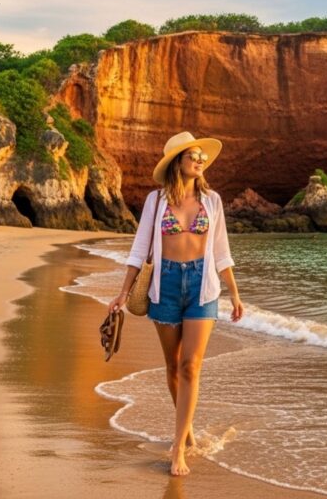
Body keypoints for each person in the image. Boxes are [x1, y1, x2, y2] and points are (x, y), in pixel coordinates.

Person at [107, 131, 244, 476]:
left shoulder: (212, 200)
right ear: (176, 162)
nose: (199, 161)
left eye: (202, 156)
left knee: (190, 366)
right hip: (165, 285)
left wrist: (234, 293)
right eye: (192, 156)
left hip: (202, 287)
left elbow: (222, 251)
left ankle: (178, 447)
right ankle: (187, 428)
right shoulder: (156, 201)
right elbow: (139, 249)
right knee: (173, 367)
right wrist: (122, 293)